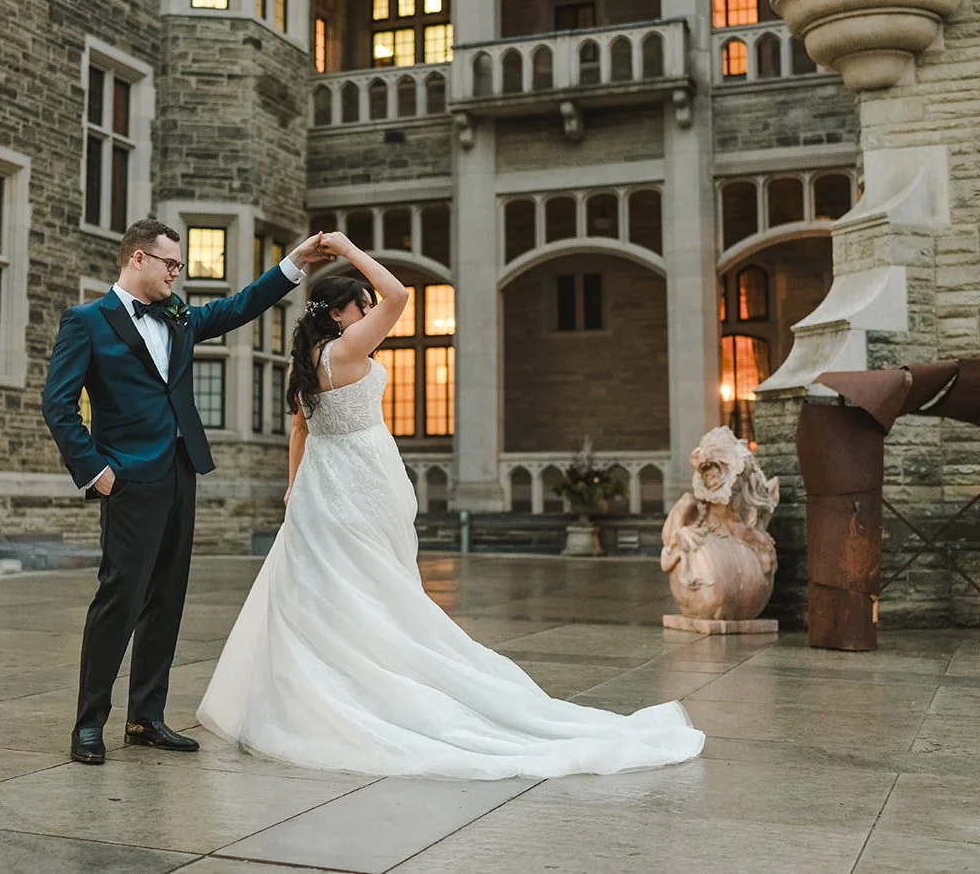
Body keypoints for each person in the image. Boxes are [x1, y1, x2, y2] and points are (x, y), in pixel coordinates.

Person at [197, 231, 706, 779]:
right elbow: (399, 296)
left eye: (366, 307)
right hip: (363, 478)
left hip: (324, 484)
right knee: (376, 585)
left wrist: (293, 487)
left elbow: (300, 429)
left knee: (331, 587)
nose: (371, 312)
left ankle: (333, 678)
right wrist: (348, 251)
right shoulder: (348, 349)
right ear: (340, 313)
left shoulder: (311, 361)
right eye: (359, 307)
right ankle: (383, 672)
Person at [41, 219, 332, 766]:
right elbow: (57, 404)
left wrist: (293, 264)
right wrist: (96, 471)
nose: (178, 273)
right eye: (171, 264)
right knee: (119, 598)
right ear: (138, 260)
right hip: (127, 477)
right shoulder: (86, 322)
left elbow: (238, 307)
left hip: (180, 470)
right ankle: (89, 724)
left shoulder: (177, 317)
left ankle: (146, 717)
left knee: (166, 599)